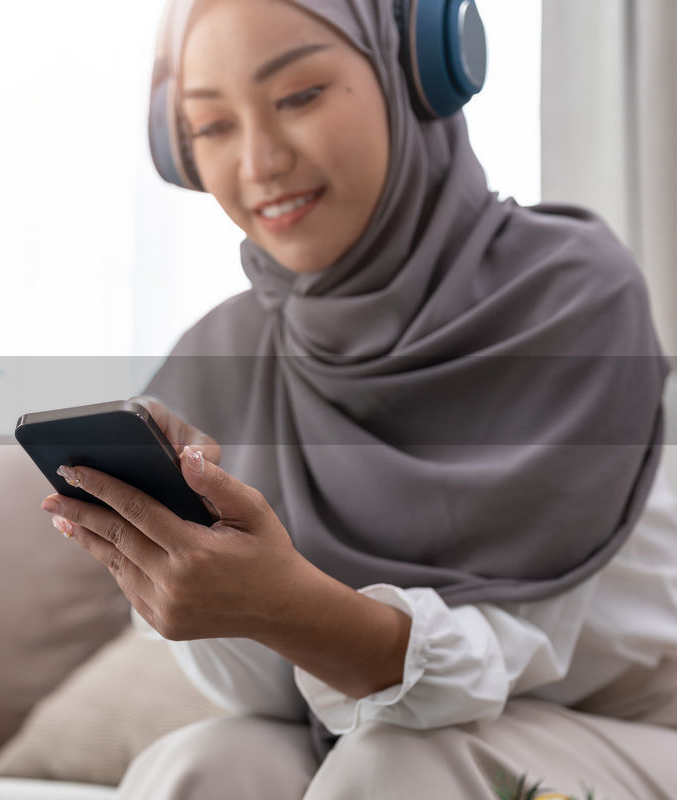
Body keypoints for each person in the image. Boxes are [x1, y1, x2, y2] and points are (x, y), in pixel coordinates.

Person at [37, 0, 677, 796]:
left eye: (299, 96)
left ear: (417, 72)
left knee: (406, 763)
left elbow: (513, 656)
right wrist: (194, 579)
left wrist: (289, 606)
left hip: (630, 727)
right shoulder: (218, 358)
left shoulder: (570, 300)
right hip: (364, 725)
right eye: (212, 127)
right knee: (205, 763)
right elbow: (271, 700)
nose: (260, 161)